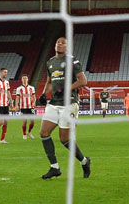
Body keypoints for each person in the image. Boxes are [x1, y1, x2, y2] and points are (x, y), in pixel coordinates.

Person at [38, 37, 92, 180]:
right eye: (57, 43)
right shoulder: (50, 62)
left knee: (64, 139)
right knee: (44, 133)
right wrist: (43, 94)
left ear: (67, 47)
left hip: (69, 103)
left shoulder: (72, 61)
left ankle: (84, 161)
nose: (59, 45)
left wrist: (68, 88)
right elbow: (49, 82)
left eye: (63, 43)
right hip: (54, 103)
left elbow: (83, 80)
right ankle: (54, 167)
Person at [15, 75, 37, 139]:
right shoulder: (19, 89)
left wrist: (34, 102)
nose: (24, 79)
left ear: (27, 79)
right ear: (21, 80)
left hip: (31, 107)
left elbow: (34, 97)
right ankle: (24, 134)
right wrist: (16, 105)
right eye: (23, 78)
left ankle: (29, 132)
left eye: (26, 78)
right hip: (23, 107)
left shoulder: (31, 88)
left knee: (32, 122)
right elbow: (17, 97)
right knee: (24, 121)